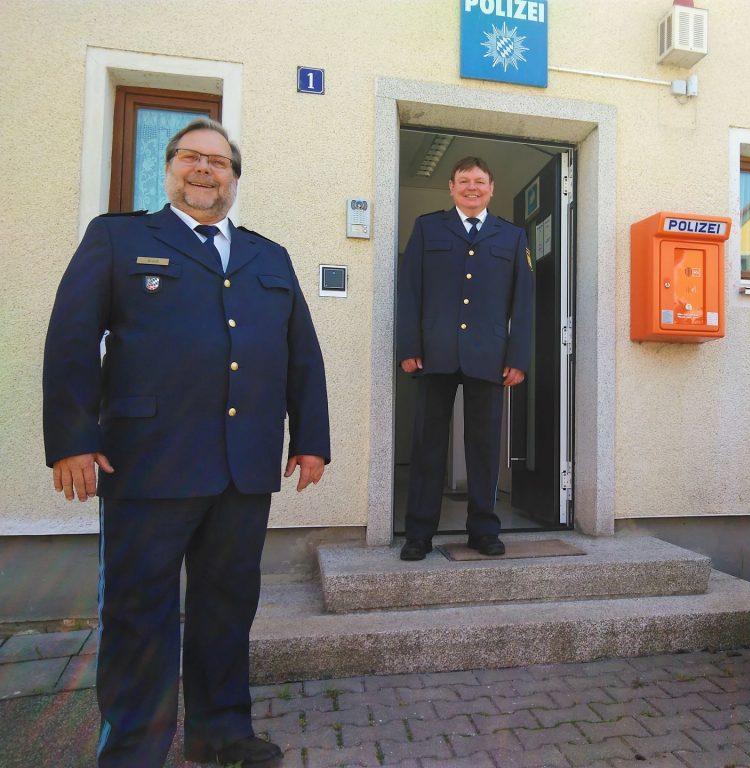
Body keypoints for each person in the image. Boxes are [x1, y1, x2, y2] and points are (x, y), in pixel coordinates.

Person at [42, 118, 330, 768]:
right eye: (192, 158)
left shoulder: (269, 255)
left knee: (225, 610)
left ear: (234, 177)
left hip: (243, 468)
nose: (205, 170)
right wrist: (71, 440)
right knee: (138, 616)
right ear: (168, 167)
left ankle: (221, 733)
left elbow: (300, 357)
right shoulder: (118, 238)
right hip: (147, 463)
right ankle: (135, 751)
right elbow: (70, 339)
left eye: (219, 162)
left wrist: (311, 439)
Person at [395, 156, 534, 560]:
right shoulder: (427, 228)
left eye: (479, 181)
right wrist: (409, 347)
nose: (471, 187)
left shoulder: (512, 237)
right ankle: (419, 534)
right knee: (427, 447)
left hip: (489, 357)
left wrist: (518, 357)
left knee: (485, 448)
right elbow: (410, 290)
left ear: (491, 188)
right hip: (434, 354)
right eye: (463, 181)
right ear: (451, 188)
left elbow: (523, 304)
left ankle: (483, 530)